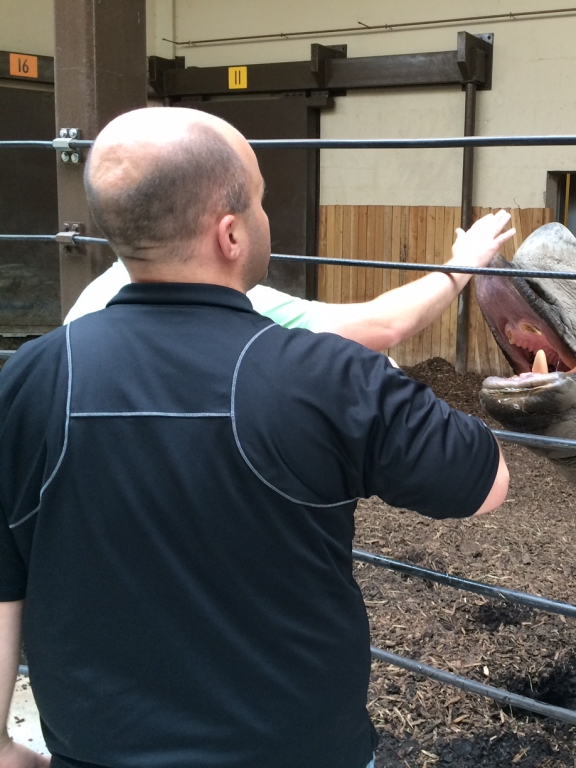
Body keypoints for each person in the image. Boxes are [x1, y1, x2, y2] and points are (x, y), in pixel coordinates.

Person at [0, 107, 512, 768]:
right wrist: (380, 396)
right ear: (231, 233)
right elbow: (487, 483)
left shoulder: (30, 379)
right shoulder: (326, 377)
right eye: (262, 200)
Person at [64, 197, 513, 356]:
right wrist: (461, 266)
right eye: (259, 200)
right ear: (230, 233)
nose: (265, 214)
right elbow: (383, 325)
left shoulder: (82, 318)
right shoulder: (240, 308)